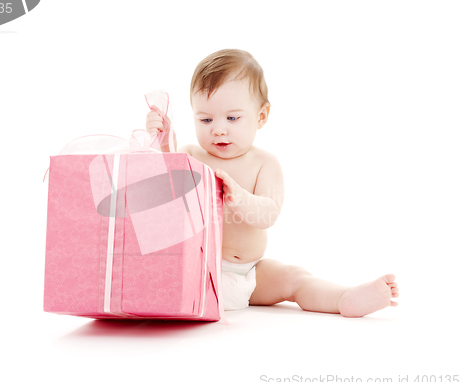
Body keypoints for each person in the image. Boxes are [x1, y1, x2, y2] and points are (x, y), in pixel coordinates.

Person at [146, 49, 399, 317]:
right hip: (201, 270)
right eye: (205, 119)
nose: (218, 129)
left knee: (294, 277)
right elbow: (165, 180)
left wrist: (241, 199)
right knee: (160, 269)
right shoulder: (192, 155)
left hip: (252, 273)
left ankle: (343, 298)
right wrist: (164, 139)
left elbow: (268, 214)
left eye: (232, 118)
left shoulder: (264, 163)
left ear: (261, 116)